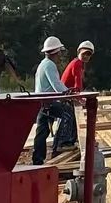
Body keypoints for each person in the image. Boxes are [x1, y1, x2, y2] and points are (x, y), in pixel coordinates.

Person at [30, 36, 73, 166]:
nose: (60, 55)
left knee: (42, 131)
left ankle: (37, 160)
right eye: (60, 52)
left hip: (42, 102)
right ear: (57, 52)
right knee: (68, 114)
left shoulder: (43, 64)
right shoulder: (50, 65)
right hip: (48, 102)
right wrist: (67, 93)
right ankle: (62, 143)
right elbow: (56, 85)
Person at [51, 40, 96, 155]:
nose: (86, 56)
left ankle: (61, 144)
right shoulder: (77, 64)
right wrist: (80, 98)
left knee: (68, 118)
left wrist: (79, 97)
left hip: (68, 94)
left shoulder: (79, 64)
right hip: (65, 95)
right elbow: (77, 83)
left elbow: (78, 84)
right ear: (79, 52)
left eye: (89, 54)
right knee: (70, 116)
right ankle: (64, 143)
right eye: (84, 53)